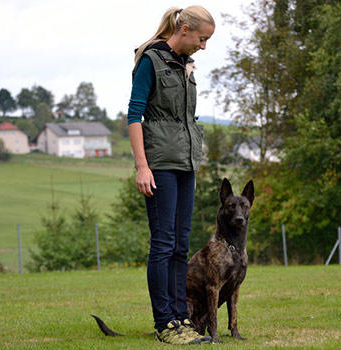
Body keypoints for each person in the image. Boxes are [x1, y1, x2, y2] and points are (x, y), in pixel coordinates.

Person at [127, 5, 215, 345]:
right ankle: (164, 323)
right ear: (184, 28)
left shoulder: (185, 64)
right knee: (162, 244)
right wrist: (142, 166)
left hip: (185, 163)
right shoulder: (151, 60)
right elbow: (135, 114)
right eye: (202, 39)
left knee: (181, 245)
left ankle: (181, 320)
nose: (203, 47)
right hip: (159, 164)